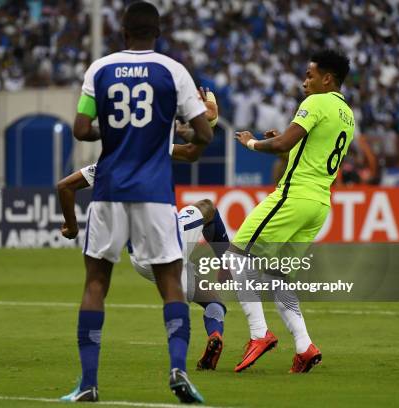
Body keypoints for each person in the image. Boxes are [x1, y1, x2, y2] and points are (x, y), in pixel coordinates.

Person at [62, 1, 213, 403]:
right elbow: (204, 135)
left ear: (123, 32)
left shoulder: (100, 69)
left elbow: (81, 130)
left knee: (96, 283)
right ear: (157, 32)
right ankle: (178, 369)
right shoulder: (172, 71)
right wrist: (187, 137)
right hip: (155, 193)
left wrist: (113, 131)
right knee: (170, 286)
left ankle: (88, 384)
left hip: (110, 188)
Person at [230, 49, 354, 373]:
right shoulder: (347, 114)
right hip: (319, 205)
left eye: (310, 75)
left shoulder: (315, 102)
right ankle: (304, 346)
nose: (304, 82)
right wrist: (285, 141)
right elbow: (307, 149)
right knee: (278, 276)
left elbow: (283, 146)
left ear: (327, 79)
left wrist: (251, 143)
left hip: (293, 197)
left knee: (235, 255)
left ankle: (260, 334)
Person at [57, 162, 229, 370]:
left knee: (96, 284)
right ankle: (225, 265)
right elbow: (192, 149)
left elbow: (64, 186)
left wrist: (73, 227)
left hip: (141, 258)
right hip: (172, 241)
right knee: (208, 207)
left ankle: (89, 378)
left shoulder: (107, 163)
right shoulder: (157, 147)